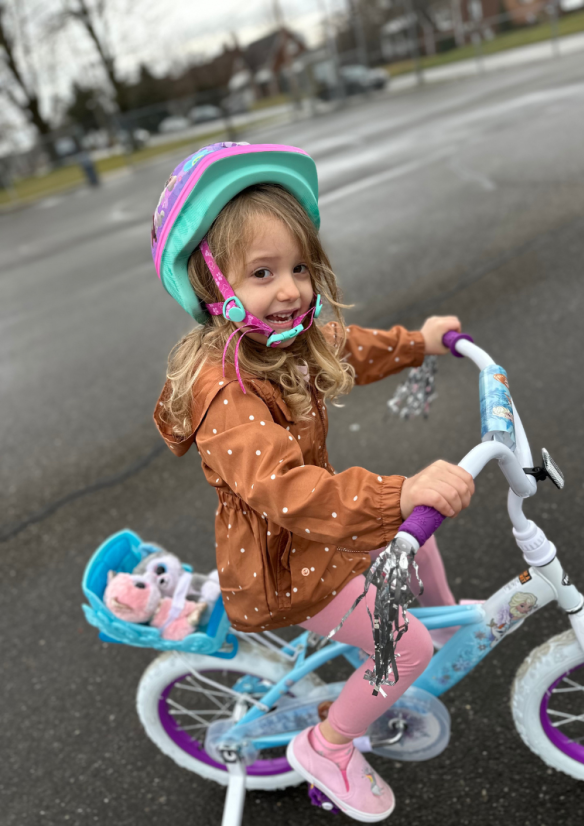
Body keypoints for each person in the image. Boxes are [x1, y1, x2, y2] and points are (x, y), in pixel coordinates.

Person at [152, 142, 475, 822]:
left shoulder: (282, 341)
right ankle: (327, 747)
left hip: (316, 538)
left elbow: (345, 347)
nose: (290, 287)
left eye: (298, 266)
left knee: (412, 543)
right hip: (287, 561)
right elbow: (288, 491)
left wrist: (417, 341)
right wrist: (398, 492)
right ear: (211, 282)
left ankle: (447, 630)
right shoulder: (224, 389)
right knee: (402, 647)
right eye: (262, 272)